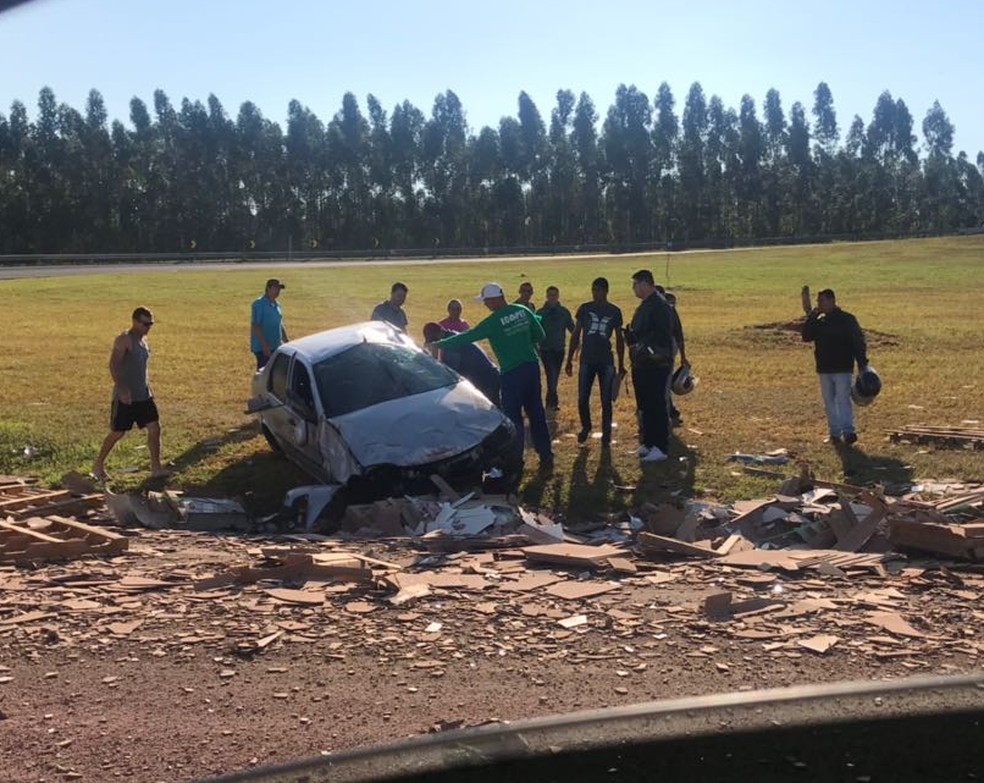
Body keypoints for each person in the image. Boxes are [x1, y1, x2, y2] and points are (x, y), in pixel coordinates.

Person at [431, 283, 553, 470]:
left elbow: (468, 336)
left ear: (495, 299)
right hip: (531, 367)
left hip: (512, 373)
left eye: (486, 301)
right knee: (536, 411)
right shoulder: (522, 310)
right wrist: (521, 343)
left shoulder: (493, 322)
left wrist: (441, 344)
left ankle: (515, 460)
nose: (485, 305)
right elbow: (541, 334)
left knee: (513, 418)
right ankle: (546, 456)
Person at [92, 307, 167, 482]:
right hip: (125, 397)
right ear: (134, 321)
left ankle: (155, 468)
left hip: (144, 395)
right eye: (145, 324)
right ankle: (98, 465)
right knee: (118, 432)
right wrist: (122, 388)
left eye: (151, 324)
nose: (148, 327)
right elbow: (114, 365)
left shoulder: (143, 340)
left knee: (155, 428)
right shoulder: (124, 339)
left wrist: (148, 388)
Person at [801, 287, 868, 444]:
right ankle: (835, 434)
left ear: (831, 300)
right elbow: (806, 337)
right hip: (824, 368)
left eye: (821, 301)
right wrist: (812, 316)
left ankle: (849, 432)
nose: (819, 304)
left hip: (843, 367)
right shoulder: (819, 321)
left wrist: (862, 363)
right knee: (829, 401)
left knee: (843, 400)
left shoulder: (847, 319)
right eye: (818, 301)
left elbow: (858, 341)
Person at [566, 277, 625, 448]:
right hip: (586, 359)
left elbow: (619, 339)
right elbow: (576, 334)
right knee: (582, 398)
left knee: (606, 400)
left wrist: (620, 364)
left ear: (606, 291)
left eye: (598, 290)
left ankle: (606, 434)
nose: (595, 294)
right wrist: (570, 359)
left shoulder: (614, 311)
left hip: (606, 360)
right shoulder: (585, 309)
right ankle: (586, 426)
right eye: (593, 290)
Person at [626, 270, 676, 463]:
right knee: (644, 405)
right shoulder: (645, 305)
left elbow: (663, 334)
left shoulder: (660, 305)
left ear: (645, 284)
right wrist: (633, 338)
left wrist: (645, 345)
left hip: (656, 364)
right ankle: (648, 443)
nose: (633, 289)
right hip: (642, 363)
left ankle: (660, 446)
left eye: (635, 284)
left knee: (656, 404)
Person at [423, 322, 500, 406]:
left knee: (491, 409)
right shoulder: (453, 336)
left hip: (484, 379)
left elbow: (451, 371)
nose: (435, 343)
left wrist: (434, 359)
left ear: (441, 332)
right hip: (487, 375)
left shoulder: (452, 344)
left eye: (435, 340)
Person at [536, 286, 575, 410]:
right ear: (547, 296)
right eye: (550, 295)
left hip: (559, 349)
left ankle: (550, 400)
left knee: (554, 375)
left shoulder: (564, 312)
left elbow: (572, 328)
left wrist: (578, 341)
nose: (552, 297)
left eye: (554, 295)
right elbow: (535, 330)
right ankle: (552, 401)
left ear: (558, 296)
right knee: (551, 373)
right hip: (545, 349)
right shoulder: (540, 313)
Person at [663, 290, 690, 428]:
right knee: (664, 387)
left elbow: (678, 335)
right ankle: (671, 413)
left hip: (666, 355)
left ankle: (670, 414)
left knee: (664, 387)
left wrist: (683, 356)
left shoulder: (669, 313)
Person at [250, 278, 288, 370]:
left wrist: (286, 341)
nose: (278, 291)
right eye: (276, 288)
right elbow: (256, 326)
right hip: (263, 349)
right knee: (264, 374)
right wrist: (265, 345)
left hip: (276, 345)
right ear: (268, 288)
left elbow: (279, 324)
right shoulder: (259, 304)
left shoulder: (277, 304)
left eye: (279, 289)